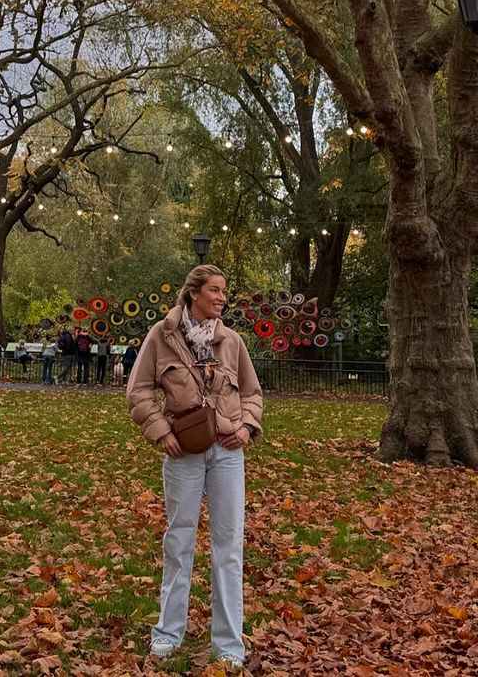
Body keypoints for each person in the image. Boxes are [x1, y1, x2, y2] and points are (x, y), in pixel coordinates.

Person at [127, 264, 262, 670]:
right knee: (179, 540)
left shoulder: (232, 341)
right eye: (215, 291)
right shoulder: (162, 336)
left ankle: (228, 645)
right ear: (193, 294)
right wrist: (159, 429)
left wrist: (246, 427)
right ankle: (167, 634)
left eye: (224, 292)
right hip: (182, 452)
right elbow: (139, 389)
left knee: (228, 546)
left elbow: (254, 394)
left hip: (227, 453)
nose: (222, 298)